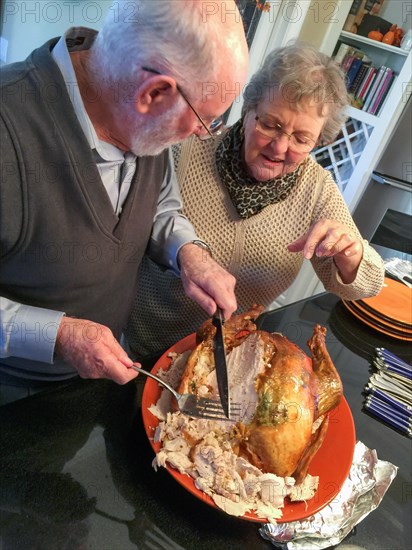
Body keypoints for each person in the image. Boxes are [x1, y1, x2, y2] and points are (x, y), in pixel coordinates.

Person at [0, 0, 249, 394]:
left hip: (103, 376)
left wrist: (190, 254)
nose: (204, 134)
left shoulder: (141, 115)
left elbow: (160, 205)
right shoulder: (7, 126)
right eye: (206, 120)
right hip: (17, 398)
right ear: (153, 94)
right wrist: (58, 334)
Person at [125, 43, 385, 361]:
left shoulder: (317, 189)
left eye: (301, 139)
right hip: (143, 345)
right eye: (270, 125)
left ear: (319, 141)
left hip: (228, 357)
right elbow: (133, 225)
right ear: (249, 110)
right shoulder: (185, 150)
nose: (279, 147)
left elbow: (365, 285)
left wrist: (352, 252)